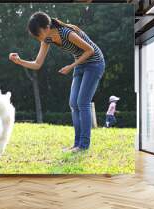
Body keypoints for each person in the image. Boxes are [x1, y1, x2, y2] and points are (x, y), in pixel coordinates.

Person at [9, 11, 105, 152]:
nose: (37, 38)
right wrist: (19, 61)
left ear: (47, 28)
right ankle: (77, 144)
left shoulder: (66, 33)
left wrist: (70, 66)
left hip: (95, 63)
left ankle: (83, 145)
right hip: (80, 64)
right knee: (73, 103)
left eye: (38, 34)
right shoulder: (47, 39)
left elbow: (90, 50)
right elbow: (37, 64)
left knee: (82, 103)